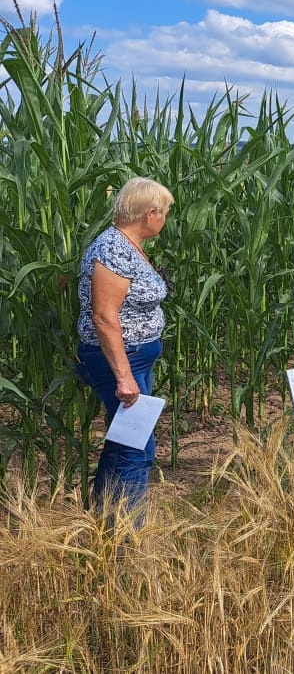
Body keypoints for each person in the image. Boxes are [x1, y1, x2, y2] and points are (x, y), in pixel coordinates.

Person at [76, 176, 174, 521]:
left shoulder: (126, 246)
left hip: (134, 357)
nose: (165, 219)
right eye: (164, 212)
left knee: (123, 442)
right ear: (150, 213)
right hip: (121, 360)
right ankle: (126, 538)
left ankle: (105, 521)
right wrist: (124, 377)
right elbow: (104, 317)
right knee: (137, 447)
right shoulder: (113, 249)